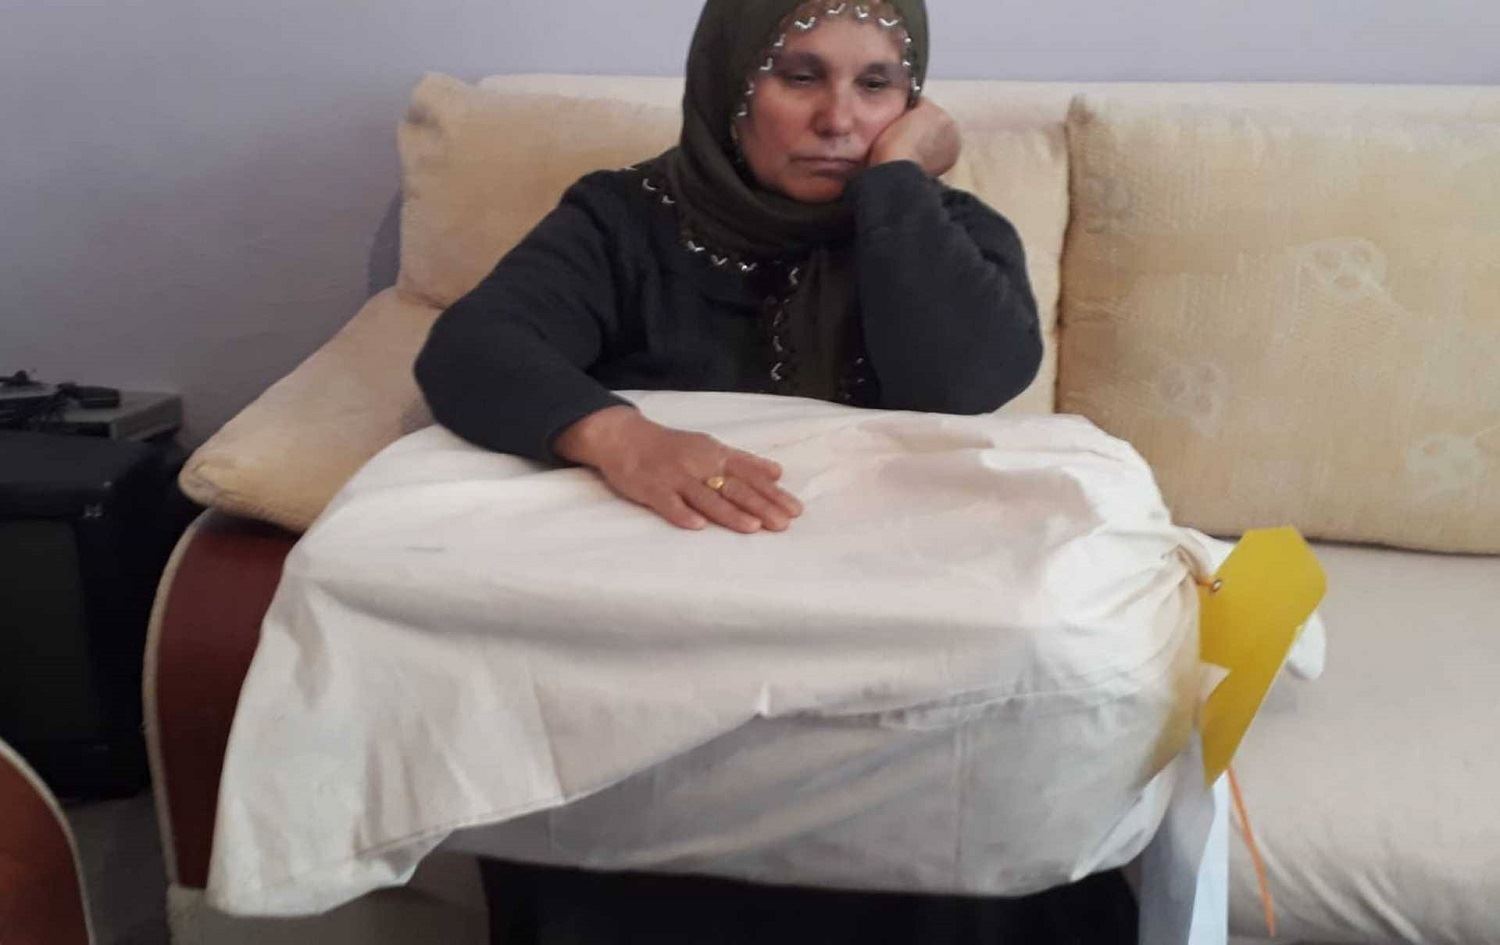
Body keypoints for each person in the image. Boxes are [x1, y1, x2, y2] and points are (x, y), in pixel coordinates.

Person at [417, 1, 1136, 941]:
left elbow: (964, 384)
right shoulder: (626, 221)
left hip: (887, 634)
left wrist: (895, 184)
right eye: (800, 77)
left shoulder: (947, 230)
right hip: (681, 636)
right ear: (730, 84)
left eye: (876, 85)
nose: (839, 118)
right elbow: (472, 348)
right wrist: (622, 438)